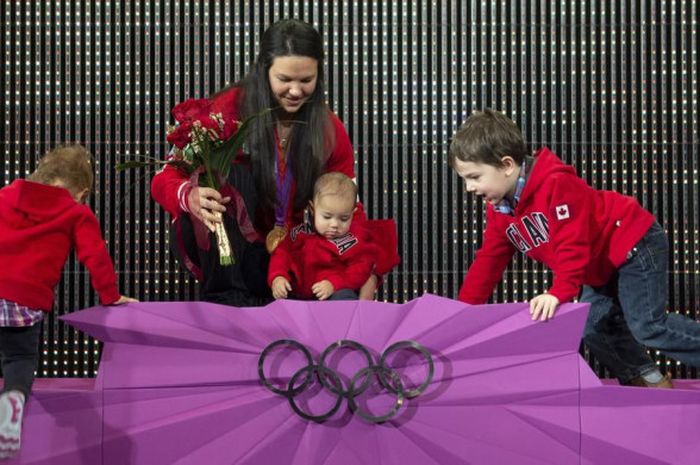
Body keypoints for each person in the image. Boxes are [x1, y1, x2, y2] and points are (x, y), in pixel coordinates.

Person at [449, 108, 700, 388]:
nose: (470, 187)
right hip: (598, 265)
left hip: (633, 244)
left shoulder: (556, 184)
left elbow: (573, 243)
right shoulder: (501, 211)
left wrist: (559, 292)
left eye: (475, 177)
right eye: (465, 180)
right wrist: (465, 312)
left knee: (648, 326)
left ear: (507, 165)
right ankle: (649, 379)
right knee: (593, 326)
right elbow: (489, 260)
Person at [151, 19, 385, 306]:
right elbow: (167, 176)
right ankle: (228, 304)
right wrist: (189, 196)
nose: (296, 91)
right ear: (264, 71)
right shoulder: (228, 109)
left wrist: (369, 269)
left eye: (306, 80)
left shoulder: (328, 129)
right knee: (231, 175)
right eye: (285, 80)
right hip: (232, 253)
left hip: (295, 257)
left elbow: (349, 204)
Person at [0, 144, 136, 459]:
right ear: (82, 192)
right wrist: (110, 296)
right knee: (18, 362)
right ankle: (8, 421)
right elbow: (95, 258)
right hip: (23, 300)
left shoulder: (6, 195)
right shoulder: (76, 212)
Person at [269, 172, 376, 300]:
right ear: (313, 210)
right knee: (281, 296)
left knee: (345, 298)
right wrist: (278, 277)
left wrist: (334, 284)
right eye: (327, 217)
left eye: (344, 218)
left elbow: (360, 270)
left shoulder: (353, 240)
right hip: (299, 296)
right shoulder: (299, 234)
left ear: (353, 214)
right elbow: (281, 254)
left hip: (332, 294)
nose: (334, 224)